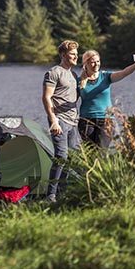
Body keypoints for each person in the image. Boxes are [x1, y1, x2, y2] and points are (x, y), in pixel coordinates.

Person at [78, 50, 135, 147]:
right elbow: (71, 100)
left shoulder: (105, 76)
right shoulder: (79, 81)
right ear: (85, 64)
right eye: (93, 62)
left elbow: (124, 73)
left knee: (102, 151)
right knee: (90, 152)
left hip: (106, 120)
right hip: (86, 121)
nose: (96, 64)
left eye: (98, 61)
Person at [42, 40, 81, 202]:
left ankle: (62, 192)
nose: (75, 57)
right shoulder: (53, 72)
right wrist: (53, 121)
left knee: (71, 158)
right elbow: (46, 97)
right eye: (72, 54)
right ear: (63, 55)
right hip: (59, 121)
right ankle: (50, 195)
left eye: (77, 54)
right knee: (61, 156)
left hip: (73, 122)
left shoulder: (73, 75)